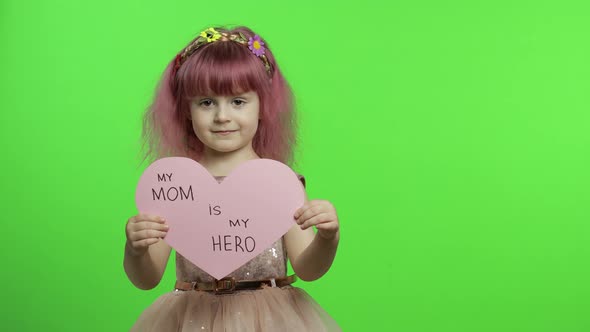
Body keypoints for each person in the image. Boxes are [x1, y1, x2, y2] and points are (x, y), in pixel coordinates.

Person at [124, 26, 341, 331]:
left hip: (271, 321)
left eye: (238, 101)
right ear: (186, 109)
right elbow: (147, 279)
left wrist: (327, 239)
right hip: (191, 320)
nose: (222, 116)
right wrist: (135, 250)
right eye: (206, 102)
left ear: (263, 106)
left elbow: (308, 268)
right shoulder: (174, 185)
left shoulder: (278, 183)